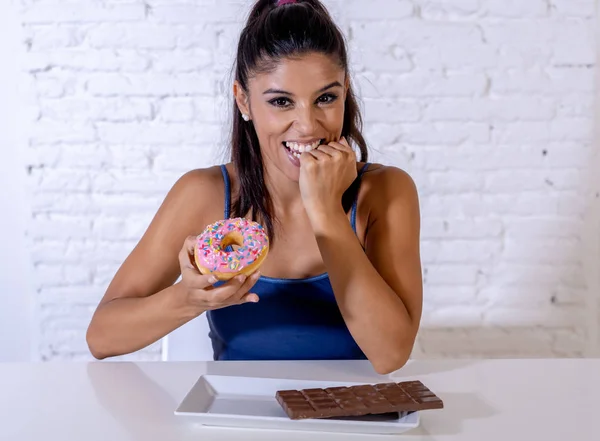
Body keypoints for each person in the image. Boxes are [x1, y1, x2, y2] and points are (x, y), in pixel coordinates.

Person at [86, 0, 423, 375]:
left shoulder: (384, 192)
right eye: (281, 102)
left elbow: (391, 354)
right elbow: (101, 337)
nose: (307, 126)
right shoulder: (205, 194)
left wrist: (326, 214)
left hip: (353, 427)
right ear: (243, 99)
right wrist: (188, 298)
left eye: (326, 98)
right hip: (237, 421)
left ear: (346, 92)